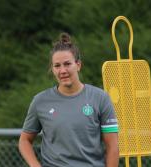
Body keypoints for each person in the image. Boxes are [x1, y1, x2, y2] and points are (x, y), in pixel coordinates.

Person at [19, 32, 119, 167]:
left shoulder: (100, 98)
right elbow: (24, 140)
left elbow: (113, 146)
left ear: (78, 65)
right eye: (57, 66)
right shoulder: (40, 101)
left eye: (67, 64)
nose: (62, 70)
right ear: (52, 69)